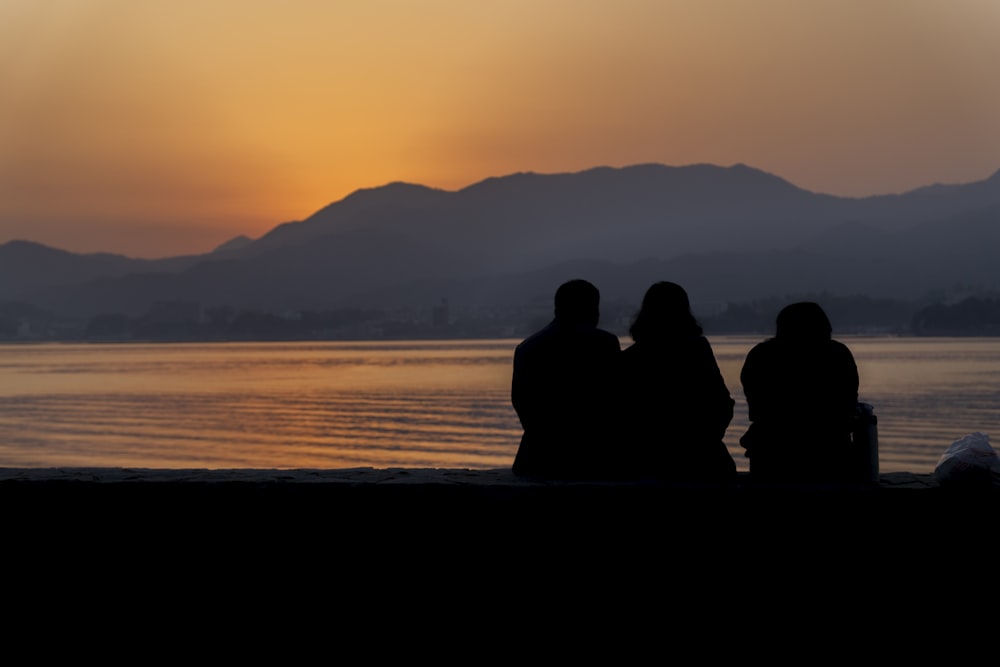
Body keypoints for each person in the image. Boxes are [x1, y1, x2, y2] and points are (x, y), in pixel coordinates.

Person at [616, 281, 737, 483]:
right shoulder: (698, 351)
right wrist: (706, 439)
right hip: (704, 464)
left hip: (644, 466)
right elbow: (721, 404)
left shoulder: (629, 359)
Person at [511, 279, 622, 479]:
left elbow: (520, 400)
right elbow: (614, 400)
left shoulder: (527, 347)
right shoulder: (604, 344)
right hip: (592, 461)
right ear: (591, 308)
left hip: (535, 459)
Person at [739, 301, 861, 483]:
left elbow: (757, 407)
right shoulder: (837, 354)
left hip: (770, 458)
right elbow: (849, 405)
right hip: (832, 457)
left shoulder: (761, 356)